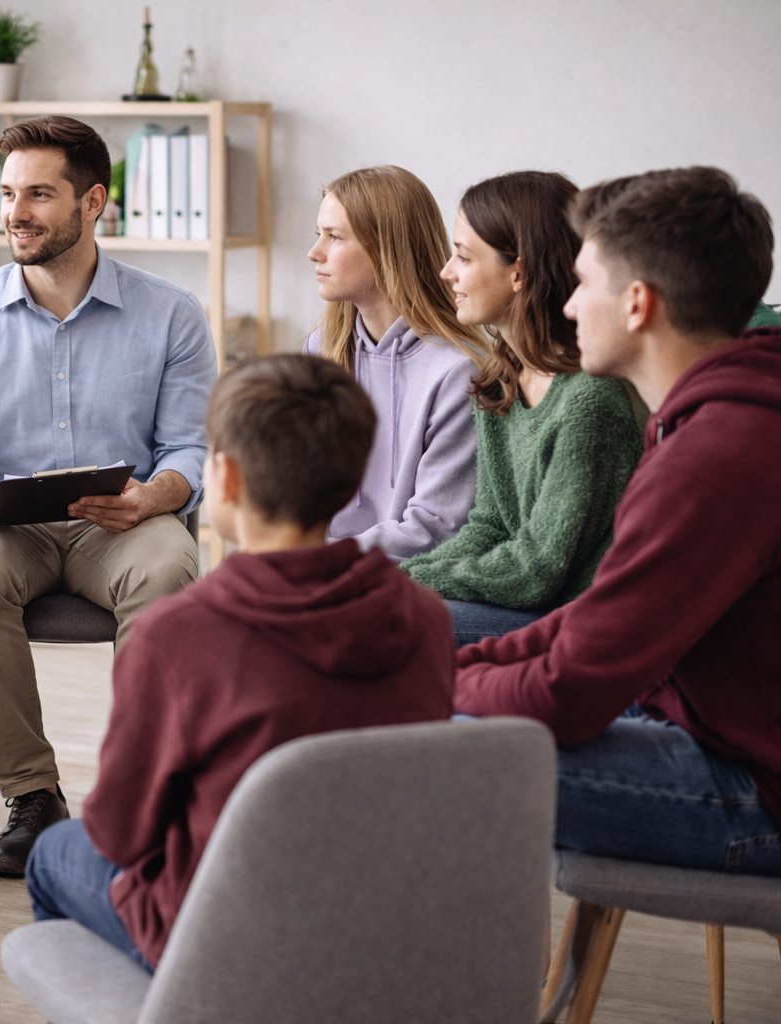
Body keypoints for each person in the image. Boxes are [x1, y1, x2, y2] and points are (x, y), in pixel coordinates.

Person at [24, 354, 455, 968]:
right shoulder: (425, 616)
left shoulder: (178, 635)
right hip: (380, 930)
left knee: (53, 854)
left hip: (226, 943)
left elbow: (119, 833)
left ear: (223, 480)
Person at [0, 115, 217, 877]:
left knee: (170, 573)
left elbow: (190, 450)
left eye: (39, 193)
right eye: (8, 193)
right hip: (2, 515)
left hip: (126, 513)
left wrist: (154, 496)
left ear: (93, 202)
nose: (15, 211)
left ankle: (142, 795)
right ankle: (32, 796)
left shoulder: (172, 313)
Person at [455, 166, 781, 877]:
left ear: (637, 303)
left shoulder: (713, 458)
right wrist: (453, 668)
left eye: (581, 284)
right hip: (705, 730)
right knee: (413, 724)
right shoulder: (714, 420)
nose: (567, 307)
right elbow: (592, 622)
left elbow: (567, 694)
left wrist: (433, 690)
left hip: (755, 792)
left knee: (409, 748)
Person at [401, 172, 645, 646]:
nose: (446, 272)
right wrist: (399, 578)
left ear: (519, 272)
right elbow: (488, 527)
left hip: (574, 624)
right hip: (519, 605)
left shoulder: (590, 403)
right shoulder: (502, 379)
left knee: (382, 618)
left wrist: (401, 587)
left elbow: (537, 571)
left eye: (464, 257)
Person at [305, 165, 486, 558]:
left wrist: (314, 557)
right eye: (318, 234)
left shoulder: (457, 371)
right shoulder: (321, 349)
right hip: (321, 567)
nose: (314, 252)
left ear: (386, 248)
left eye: (334, 237)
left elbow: (435, 529)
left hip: (405, 579)